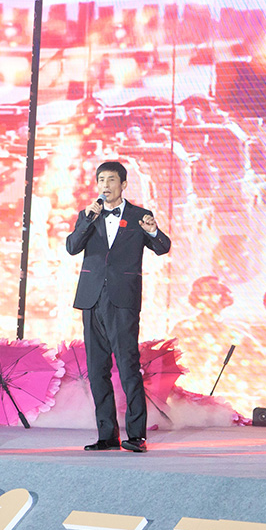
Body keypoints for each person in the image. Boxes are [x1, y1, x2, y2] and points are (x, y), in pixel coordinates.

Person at [66, 161, 171, 453]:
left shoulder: (139, 216)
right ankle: (107, 435)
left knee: (127, 366)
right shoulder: (88, 215)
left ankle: (136, 435)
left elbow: (163, 247)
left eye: (111, 180)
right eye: (101, 180)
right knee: (96, 368)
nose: (105, 185)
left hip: (123, 299)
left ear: (123, 184)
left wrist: (153, 231)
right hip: (91, 299)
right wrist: (87, 221)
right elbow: (72, 247)